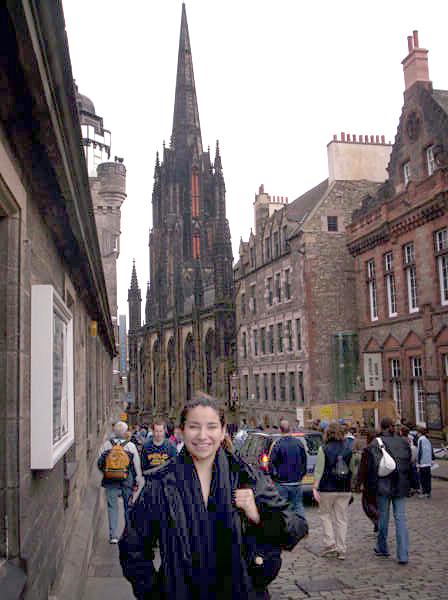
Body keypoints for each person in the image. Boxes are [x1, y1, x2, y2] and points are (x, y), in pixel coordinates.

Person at [119, 392, 308, 599]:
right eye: (194, 427)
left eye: (211, 427)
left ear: (222, 431)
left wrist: (258, 516)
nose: (202, 435)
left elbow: (296, 529)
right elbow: (133, 547)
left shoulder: (246, 476)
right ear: (181, 431)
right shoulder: (161, 483)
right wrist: (154, 593)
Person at [367, 416, 411, 564]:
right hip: (400, 485)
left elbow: (372, 468)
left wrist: (370, 487)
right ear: (393, 427)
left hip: (383, 485)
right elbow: (408, 465)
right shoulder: (403, 442)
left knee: (383, 518)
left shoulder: (376, 443)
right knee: (400, 519)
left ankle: (382, 547)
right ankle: (403, 554)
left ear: (381, 427)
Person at [312, 422, 356, 560]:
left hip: (327, 488)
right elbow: (353, 469)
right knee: (341, 518)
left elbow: (319, 470)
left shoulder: (323, 449)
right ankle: (342, 549)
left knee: (325, 515)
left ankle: (330, 544)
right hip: (344, 487)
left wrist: (315, 487)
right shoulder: (348, 449)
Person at [98, 421, 143, 544]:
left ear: (114, 432)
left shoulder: (106, 445)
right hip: (127, 481)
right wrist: (137, 480)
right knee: (127, 507)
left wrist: (106, 473)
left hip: (110, 480)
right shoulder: (130, 446)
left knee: (112, 507)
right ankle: (127, 534)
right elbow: (136, 466)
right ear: (125, 433)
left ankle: (113, 535)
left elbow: (99, 462)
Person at [268, 419, 307, 520]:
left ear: (280, 430)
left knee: (283, 507)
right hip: (296, 481)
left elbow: (271, 464)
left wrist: (275, 477)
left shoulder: (278, 444)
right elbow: (304, 461)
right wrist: (301, 475)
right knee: (298, 505)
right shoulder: (299, 443)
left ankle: (286, 528)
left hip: (282, 482)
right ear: (290, 429)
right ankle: (302, 527)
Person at [355, 430, 379, 533]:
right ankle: (378, 522)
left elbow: (362, 469)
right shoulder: (383, 448)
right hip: (382, 481)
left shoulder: (367, 450)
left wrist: (358, 484)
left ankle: (377, 520)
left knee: (367, 504)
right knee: (378, 504)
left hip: (370, 483)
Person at [416, 427, 433, 498]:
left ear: (419, 433)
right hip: (428, 462)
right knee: (428, 478)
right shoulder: (427, 439)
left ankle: (424, 492)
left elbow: (420, 451)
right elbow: (431, 450)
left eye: (417, 433)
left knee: (422, 479)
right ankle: (428, 492)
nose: (417, 434)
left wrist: (418, 462)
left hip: (422, 463)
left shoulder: (420, 440)